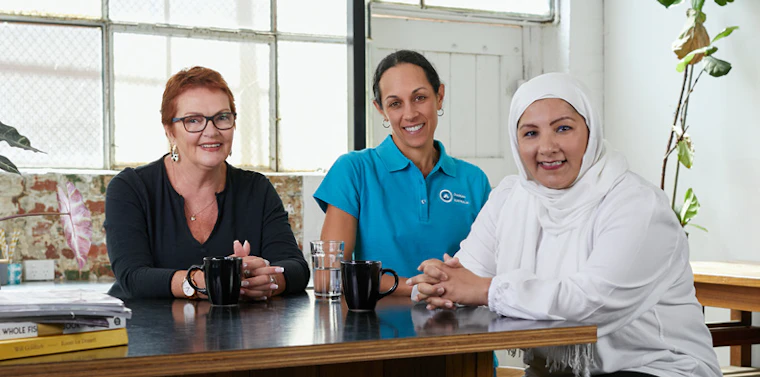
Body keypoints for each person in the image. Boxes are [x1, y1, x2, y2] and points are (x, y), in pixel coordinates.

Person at [408, 73, 721, 377]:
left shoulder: (637, 204)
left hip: (655, 367)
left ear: (591, 131)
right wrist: (440, 283)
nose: (547, 147)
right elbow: (468, 275)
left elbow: (591, 303)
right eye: (531, 133)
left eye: (563, 129)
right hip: (558, 370)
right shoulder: (511, 196)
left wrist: (485, 290)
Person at [105, 66, 309, 300]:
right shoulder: (130, 188)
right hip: (145, 331)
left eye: (222, 117)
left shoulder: (257, 189)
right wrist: (206, 280)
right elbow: (133, 277)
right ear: (170, 131)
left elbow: (296, 269)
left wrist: (264, 279)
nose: (211, 131)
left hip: (235, 333)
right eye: (193, 120)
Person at [314, 50, 491, 296]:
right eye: (395, 103)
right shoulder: (354, 171)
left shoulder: (474, 181)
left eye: (419, 97)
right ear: (380, 109)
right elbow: (327, 276)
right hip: (376, 330)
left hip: (460, 327)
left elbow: (492, 268)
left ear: (439, 97)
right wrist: (418, 289)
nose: (410, 114)